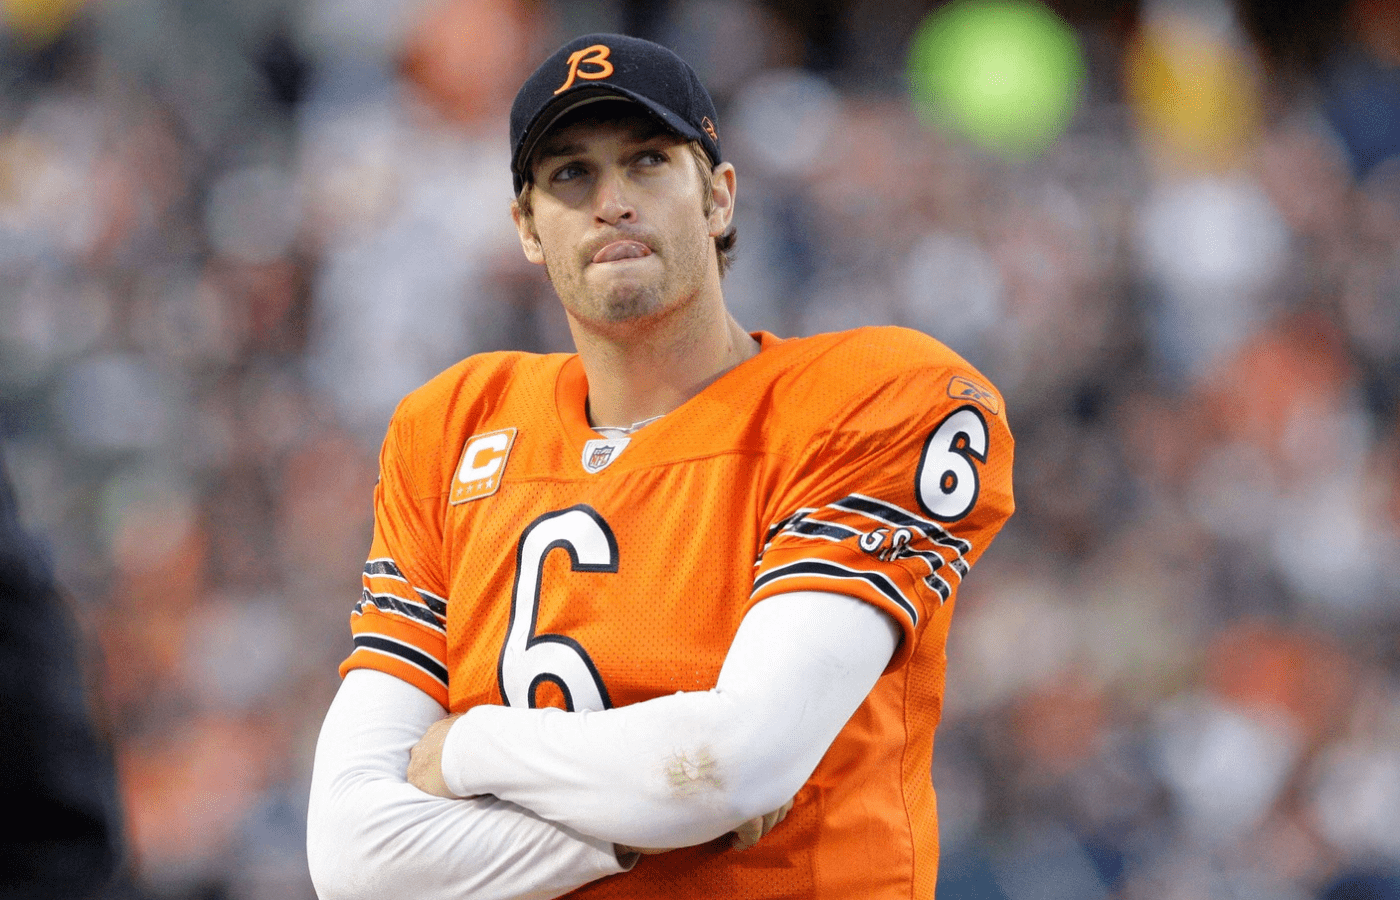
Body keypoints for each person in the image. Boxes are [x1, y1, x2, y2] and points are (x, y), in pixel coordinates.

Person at [306, 32, 1014, 900]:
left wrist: (470, 749)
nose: (612, 201)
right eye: (571, 174)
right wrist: (646, 826)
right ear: (526, 228)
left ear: (718, 198)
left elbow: (732, 764)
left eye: (648, 162)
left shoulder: (871, 398)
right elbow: (354, 858)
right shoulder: (453, 427)